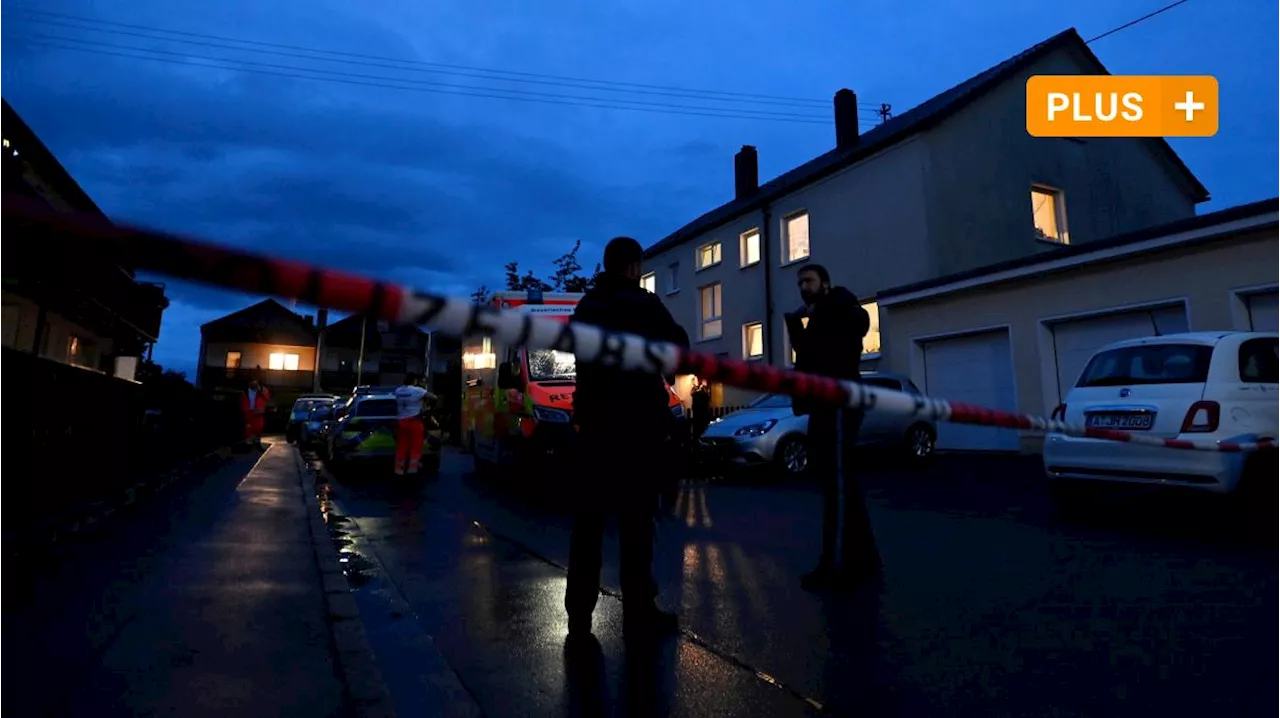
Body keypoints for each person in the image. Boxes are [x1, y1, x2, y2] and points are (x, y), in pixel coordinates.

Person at [566, 236, 690, 640]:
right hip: (638, 429)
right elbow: (678, 348)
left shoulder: (585, 307)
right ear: (635, 266)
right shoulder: (645, 305)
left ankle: (579, 618)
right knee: (637, 524)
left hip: (595, 428)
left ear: (606, 265)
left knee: (588, 525)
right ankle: (639, 611)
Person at [784, 263, 882, 591]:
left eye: (809, 281)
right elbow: (808, 356)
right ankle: (865, 559)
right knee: (839, 484)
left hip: (839, 406)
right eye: (800, 283)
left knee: (837, 486)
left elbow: (854, 327)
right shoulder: (822, 316)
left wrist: (810, 317)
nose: (803, 287)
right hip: (824, 407)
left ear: (826, 283)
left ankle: (835, 567)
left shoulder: (841, 309)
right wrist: (796, 322)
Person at [392, 373, 430, 475]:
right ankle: (412, 468)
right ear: (415, 381)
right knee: (416, 445)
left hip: (401, 421)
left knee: (402, 445)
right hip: (414, 421)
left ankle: (399, 469)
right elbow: (432, 397)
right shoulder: (417, 390)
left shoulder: (398, 390)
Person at [239, 378, 271, 450]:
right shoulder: (245, 392)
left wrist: (261, 391)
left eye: (255, 381)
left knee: (258, 429)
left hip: (258, 413)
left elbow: (268, 398)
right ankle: (249, 445)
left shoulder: (263, 390)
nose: (254, 383)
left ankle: (256, 443)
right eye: (253, 381)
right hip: (249, 413)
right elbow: (242, 402)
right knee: (249, 429)